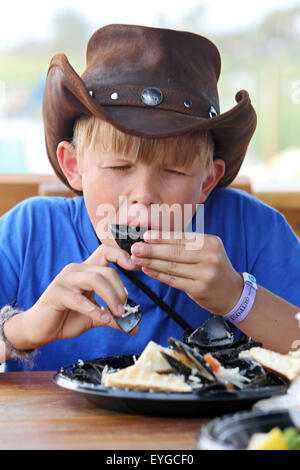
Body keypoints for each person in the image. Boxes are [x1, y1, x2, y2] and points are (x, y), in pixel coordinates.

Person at [0, 24, 299, 373]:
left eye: (173, 172)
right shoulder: (28, 233)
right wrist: (21, 330)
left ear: (208, 181)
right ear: (74, 166)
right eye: (119, 166)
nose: (144, 196)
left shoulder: (253, 230)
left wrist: (239, 299)